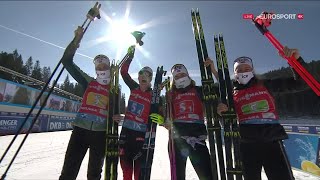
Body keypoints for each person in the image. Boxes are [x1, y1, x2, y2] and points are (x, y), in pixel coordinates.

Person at [217, 46, 298, 180]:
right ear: (235, 74)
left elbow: (299, 83)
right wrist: (221, 112)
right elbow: (226, 123)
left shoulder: (266, 84)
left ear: (252, 70)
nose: (243, 72)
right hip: (246, 143)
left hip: (271, 140)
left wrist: (295, 61)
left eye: (247, 69)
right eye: (239, 70)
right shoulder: (231, 94)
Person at [59, 25, 111, 180]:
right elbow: (67, 61)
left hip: (100, 134)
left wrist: (115, 117)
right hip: (80, 131)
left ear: (109, 68)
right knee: (68, 172)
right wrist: (77, 39)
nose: (101, 69)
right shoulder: (88, 81)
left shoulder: (113, 88)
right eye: (98, 66)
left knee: (94, 175)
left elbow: (114, 111)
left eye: (104, 66)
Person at [112, 46, 164, 180]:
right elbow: (123, 72)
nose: (143, 76)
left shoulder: (154, 96)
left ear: (150, 79)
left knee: (139, 175)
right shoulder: (134, 88)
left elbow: (162, 115)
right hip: (125, 135)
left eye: (147, 75)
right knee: (126, 172)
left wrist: (162, 118)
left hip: (142, 137)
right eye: (141, 74)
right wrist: (130, 56)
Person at [164, 58, 218, 180]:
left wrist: (213, 70)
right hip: (177, 140)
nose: (181, 78)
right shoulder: (170, 94)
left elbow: (224, 88)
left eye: (183, 74)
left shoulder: (199, 90)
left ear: (188, 75)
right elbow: (166, 115)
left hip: (197, 138)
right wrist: (166, 121)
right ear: (173, 79)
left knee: (207, 175)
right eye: (177, 76)